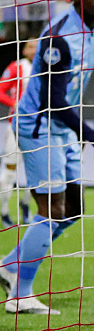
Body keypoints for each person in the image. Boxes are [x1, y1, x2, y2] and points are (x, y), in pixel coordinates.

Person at [0, 0, 94, 315]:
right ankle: (19, 294)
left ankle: (10, 267)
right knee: (51, 210)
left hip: (63, 129)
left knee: (73, 209)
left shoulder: (91, 26)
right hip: (40, 128)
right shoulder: (60, 36)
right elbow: (53, 100)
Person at [0, 38, 38, 228]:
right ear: (24, 50)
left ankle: (26, 205)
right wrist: (14, 104)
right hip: (16, 127)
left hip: (39, 129)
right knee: (9, 173)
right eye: (31, 46)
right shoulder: (16, 67)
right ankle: (4, 211)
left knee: (39, 171)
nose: (35, 49)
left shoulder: (46, 68)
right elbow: (1, 90)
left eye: (38, 45)